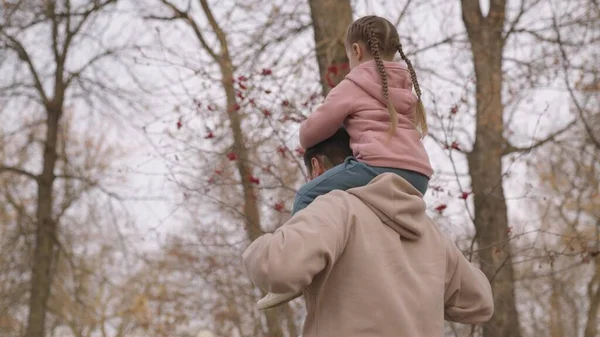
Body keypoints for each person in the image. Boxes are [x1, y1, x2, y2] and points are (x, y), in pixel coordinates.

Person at [242, 129, 494, 336]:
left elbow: (276, 266)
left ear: (317, 168)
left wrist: (255, 250)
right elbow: (480, 304)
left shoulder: (337, 207)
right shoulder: (428, 230)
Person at [259, 14, 434, 309]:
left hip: (378, 166)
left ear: (355, 51)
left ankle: (291, 272)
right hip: (418, 175)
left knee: (305, 195)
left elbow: (310, 133)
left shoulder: (354, 85)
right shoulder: (405, 88)